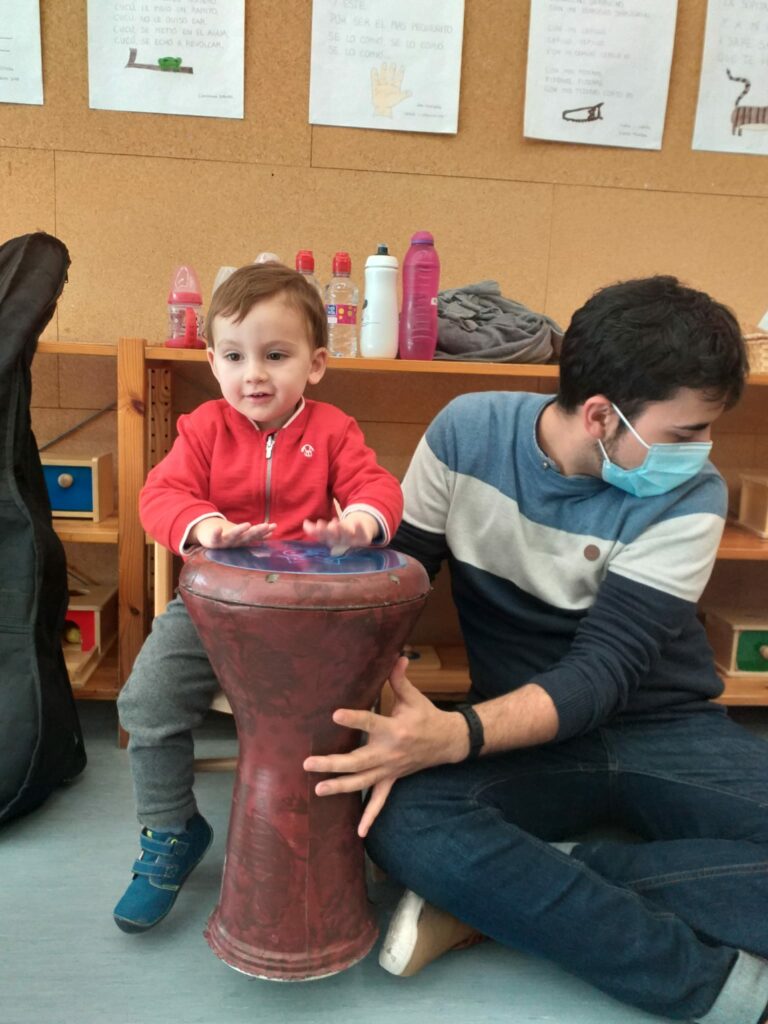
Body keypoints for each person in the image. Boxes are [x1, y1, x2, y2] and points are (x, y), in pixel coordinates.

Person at [304, 276, 768, 1024]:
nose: (699, 453)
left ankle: (543, 878)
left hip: (666, 728)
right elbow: (399, 588)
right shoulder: (466, 433)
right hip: (520, 732)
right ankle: (721, 990)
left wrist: (453, 735)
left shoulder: (692, 496)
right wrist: (345, 587)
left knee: (459, 853)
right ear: (600, 415)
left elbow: (601, 676)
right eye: (685, 434)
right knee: (403, 824)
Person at [114, 262, 403, 933]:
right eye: (235, 356)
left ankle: (342, 833)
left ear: (315, 363)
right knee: (146, 703)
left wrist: (360, 523)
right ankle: (171, 830)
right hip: (210, 608)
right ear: (212, 361)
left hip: (307, 615)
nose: (254, 376)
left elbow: (379, 488)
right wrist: (205, 526)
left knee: (335, 716)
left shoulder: (332, 430)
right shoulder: (203, 429)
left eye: (276, 356)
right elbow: (160, 496)